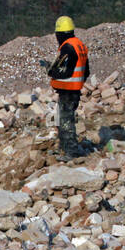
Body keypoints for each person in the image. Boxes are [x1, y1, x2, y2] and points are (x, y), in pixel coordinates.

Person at [44, 15, 90, 157]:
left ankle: (71, 152)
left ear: (60, 34)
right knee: (63, 118)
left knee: (66, 122)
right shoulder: (79, 45)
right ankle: (64, 147)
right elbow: (86, 71)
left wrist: (50, 70)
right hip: (74, 90)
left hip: (68, 91)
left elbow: (63, 70)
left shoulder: (68, 47)